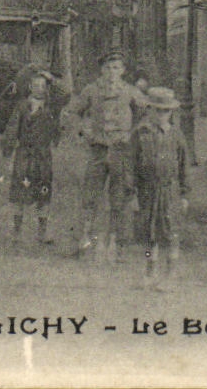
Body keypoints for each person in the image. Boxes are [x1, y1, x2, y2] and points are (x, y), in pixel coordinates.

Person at [65, 50, 151, 261]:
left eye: (116, 68)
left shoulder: (130, 92)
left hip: (121, 151)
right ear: (102, 69)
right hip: (98, 149)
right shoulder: (91, 90)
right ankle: (84, 241)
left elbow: (148, 111)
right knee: (90, 195)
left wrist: (133, 133)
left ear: (122, 71)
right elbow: (72, 111)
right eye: (108, 67)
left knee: (119, 197)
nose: (111, 72)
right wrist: (83, 131)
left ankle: (114, 244)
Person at [0, 66, 71, 245]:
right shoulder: (22, 106)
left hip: (43, 156)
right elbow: (12, 129)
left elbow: (66, 94)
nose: (39, 88)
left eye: (43, 85)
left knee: (44, 193)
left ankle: (42, 232)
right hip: (24, 155)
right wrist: (8, 154)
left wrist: (52, 79)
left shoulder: (52, 106)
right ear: (30, 87)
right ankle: (17, 232)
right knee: (19, 193)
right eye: (36, 85)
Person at [131, 87, 189, 292]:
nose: (162, 114)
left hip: (170, 190)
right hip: (148, 190)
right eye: (157, 110)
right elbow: (131, 165)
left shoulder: (176, 135)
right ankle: (150, 272)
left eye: (166, 111)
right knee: (150, 234)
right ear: (149, 110)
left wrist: (184, 193)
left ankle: (171, 274)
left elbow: (183, 166)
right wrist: (133, 194)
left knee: (171, 233)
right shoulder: (140, 134)